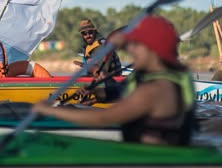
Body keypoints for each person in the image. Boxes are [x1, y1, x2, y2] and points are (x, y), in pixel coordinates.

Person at [31, 15, 196, 145]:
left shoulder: (156, 89)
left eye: (136, 45)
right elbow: (120, 91)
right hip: (144, 152)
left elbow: (104, 118)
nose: (130, 50)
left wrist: (50, 110)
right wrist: (98, 93)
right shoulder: (154, 78)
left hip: (156, 161)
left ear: (154, 50)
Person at [74, 18, 124, 102]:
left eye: (90, 32)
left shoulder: (102, 46)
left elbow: (100, 72)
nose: (88, 35)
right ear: (81, 35)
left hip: (111, 83)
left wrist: (84, 65)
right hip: (102, 79)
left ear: (95, 32)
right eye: (84, 33)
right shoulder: (90, 45)